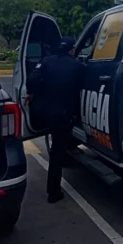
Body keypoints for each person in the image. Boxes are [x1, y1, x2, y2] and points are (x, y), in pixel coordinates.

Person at [26, 36, 85, 203]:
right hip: (64, 115)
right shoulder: (77, 66)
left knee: (57, 148)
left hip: (45, 114)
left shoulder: (46, 61)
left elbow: (32, 79)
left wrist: (31, 93)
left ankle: (54, 188)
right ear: (72, 50)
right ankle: (53, 192)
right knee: (58, 151)